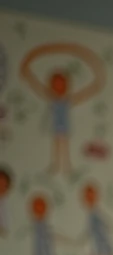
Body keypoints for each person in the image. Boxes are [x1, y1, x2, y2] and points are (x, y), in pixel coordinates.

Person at [19, 43, 106, 175]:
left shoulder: (68, 100)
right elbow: (36, 86)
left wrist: (95, 87)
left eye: (62, 85)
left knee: (64, 143)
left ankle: (66, 165)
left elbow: (83, 95)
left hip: (63, 123)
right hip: (55, 123)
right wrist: (28, 75)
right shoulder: (50, 97)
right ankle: (55, 164)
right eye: (56, 85)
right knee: (56, 143)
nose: (59, 88)